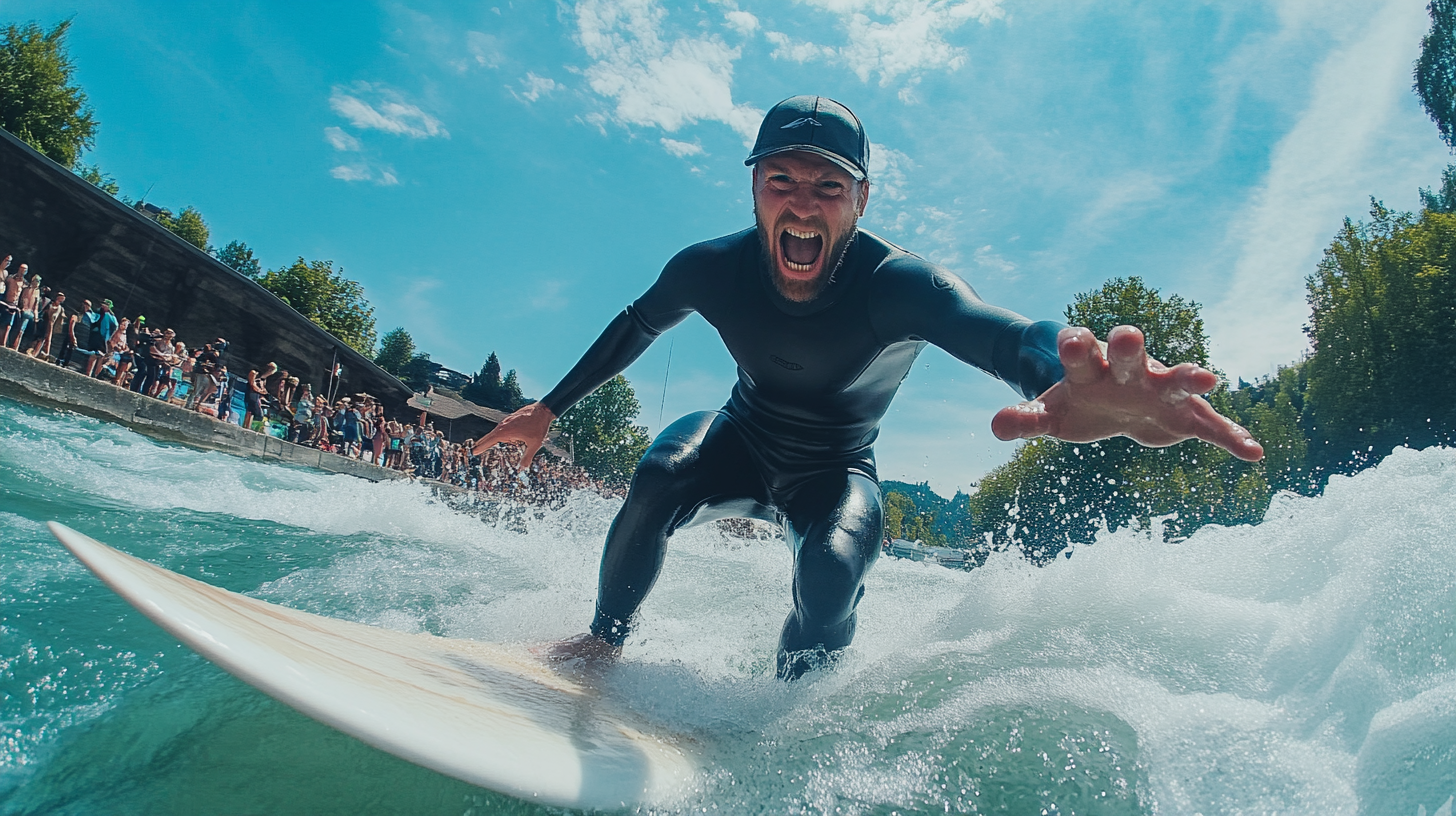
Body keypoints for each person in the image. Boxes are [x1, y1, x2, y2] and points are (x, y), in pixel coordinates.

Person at [473, 95, 1265, 680]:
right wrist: (548, 408)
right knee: (657, 476)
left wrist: (1061, 375)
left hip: (834, 472)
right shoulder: (707, 268)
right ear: (752, 189)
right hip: (739, 440)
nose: (802, 203)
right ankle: (599, 645)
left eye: (829, 187)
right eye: (781, 179)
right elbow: (637, 323)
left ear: (861, 200)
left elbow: (997, 330)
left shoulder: (899, 285)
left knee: (828, 574)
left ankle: (786, 709)